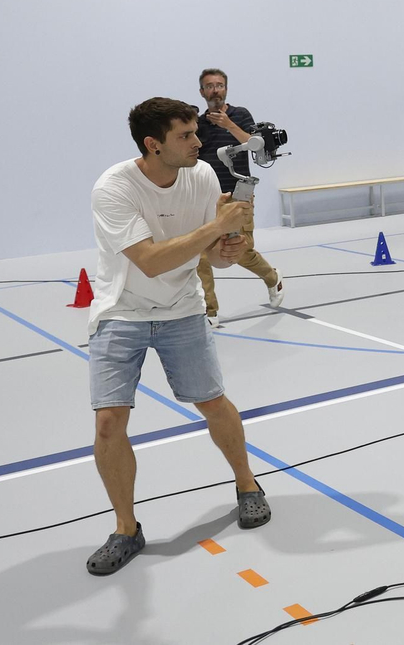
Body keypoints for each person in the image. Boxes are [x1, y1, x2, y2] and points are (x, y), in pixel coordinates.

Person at [84, 97, 270, 576]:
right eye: (186, 136)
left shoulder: (203, 177)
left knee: (212, 401)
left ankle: (248, 484)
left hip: (182, 307)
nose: (198, 143)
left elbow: (215, 257)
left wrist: (230, 244)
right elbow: (149, 260)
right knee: (108, 421)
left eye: (195, 132)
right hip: (121, 309)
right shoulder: (114, 188)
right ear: (153, 144)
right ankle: (126, 528)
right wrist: (216, 227)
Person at [194, 69, 283, 325]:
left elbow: (257, 145)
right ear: (202, 92)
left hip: (239, 194)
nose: (215, 90)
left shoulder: (240, 115)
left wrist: (228, 125)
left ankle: (272, 278)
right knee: (199, 251)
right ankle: (210, 311)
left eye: (219, 85)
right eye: (209, 86)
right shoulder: (198, 124)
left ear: (226, 89)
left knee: (240, 250)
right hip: (207, 197)